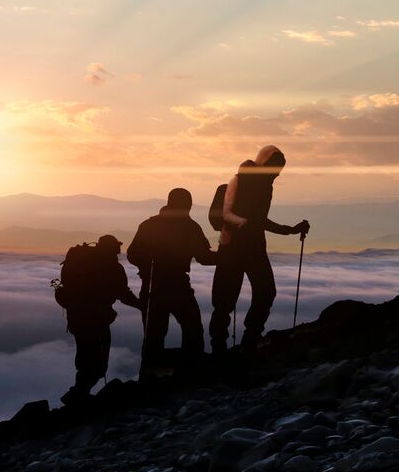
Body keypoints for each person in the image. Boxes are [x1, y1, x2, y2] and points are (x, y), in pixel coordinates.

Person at [209, 146, 310, 351]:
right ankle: (243, 342)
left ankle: (227, 346)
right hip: (244, 249)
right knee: (249, 296)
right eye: (275, 170)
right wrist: (289, 230)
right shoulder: (241, 188)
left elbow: (258, 221)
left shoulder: (262, 187)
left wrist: (290, 230)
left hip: (237, 249)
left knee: (228, 300)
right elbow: (258, 221)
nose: (276, 175)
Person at [128, 188, 217, 372]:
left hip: (153, 285)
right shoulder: (191, 227)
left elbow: (132, 254)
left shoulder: (149, 225)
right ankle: (190, 371)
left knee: (154, 335)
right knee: (192, 329)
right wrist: (227, 256)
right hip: (177, 285)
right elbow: (205, 258)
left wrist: (147, 267)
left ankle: (150, 378)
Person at [56, 235, 142, 403]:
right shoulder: (112, 267)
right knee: (98, 363)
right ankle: (77, 397)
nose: (118, 253)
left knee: (85, 358)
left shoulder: (81, 261)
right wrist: (141, 305)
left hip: (77, 318)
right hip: (97, 320)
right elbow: (123, 294)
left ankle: (78, 395)